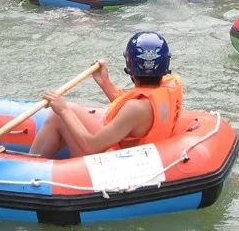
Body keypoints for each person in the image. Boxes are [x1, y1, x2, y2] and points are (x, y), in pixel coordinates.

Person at [28, 32, 183, 158]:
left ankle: (30, 167)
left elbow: (90, 147)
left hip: (116, 165)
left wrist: (62, 110)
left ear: (129, 67)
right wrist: (104, 82)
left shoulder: (136, 108)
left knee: (60, 115)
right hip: (142, 155)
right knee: (72, 110)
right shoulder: (171, 84)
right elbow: (135, 118)